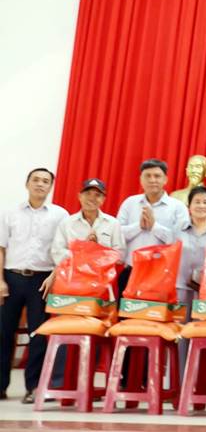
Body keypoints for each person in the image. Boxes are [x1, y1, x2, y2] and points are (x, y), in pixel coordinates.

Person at [0, 168, 68, 403]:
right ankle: (0, 385)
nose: (40, 184)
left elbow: (64, 250)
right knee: (3, 332)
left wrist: (55, 277)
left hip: (43, 280)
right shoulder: (9, 213)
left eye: (45, 181)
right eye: (36, 180)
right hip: (11, 277)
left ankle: (34, 386)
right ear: (27, 183)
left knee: (38, 333)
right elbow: (1, 248)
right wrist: (0, 281)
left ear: (50, 187)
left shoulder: (60, 215)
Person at [116, 159, 189, 294]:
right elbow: (117, 234)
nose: (152, 180)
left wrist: (154, 227)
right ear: (141, 179)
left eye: (157, 176)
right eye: (148, 176)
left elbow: (181, 241)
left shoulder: (178, 207)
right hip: (131, 271)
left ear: (165, 179)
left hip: (161, 273)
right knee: (125, 308)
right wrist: (139, 226)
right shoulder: (129, 203)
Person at [174, 186, 206, 376]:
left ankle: (202, 385)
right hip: (181, 290)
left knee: (205, 337)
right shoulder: (177, 231)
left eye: (205, 202)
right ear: (189, 206)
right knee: (181, 336)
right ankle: (179, 384)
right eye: (197, 202)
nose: (201, 206)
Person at [51, 178, 125, 265]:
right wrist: (83, 252)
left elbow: (120, 256)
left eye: (97, 195)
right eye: (87, 193)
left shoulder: (113, 223)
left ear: (103, 199)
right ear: (79, 196)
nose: (91, 198)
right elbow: (57, 253)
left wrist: (98, 250)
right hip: (74, 272)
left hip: (102, 273)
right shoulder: (66, 223)